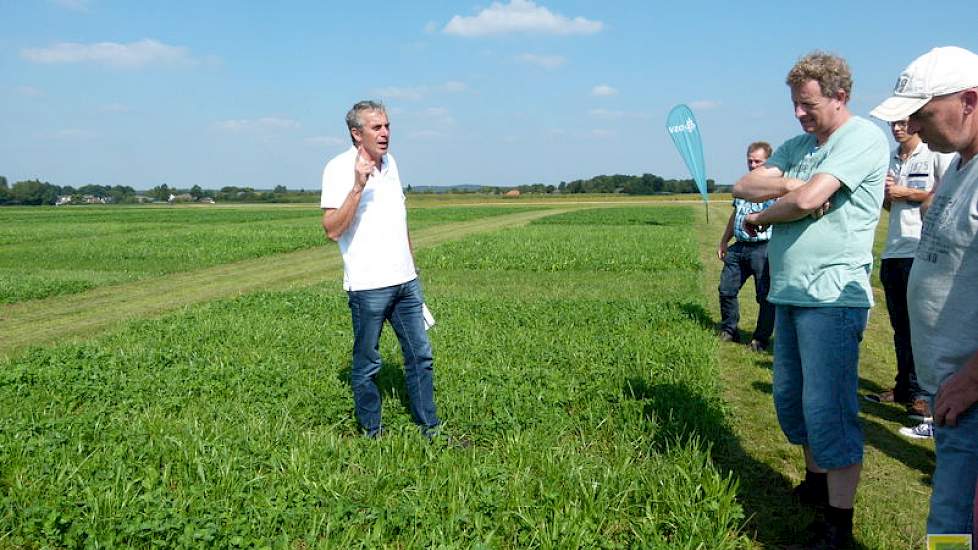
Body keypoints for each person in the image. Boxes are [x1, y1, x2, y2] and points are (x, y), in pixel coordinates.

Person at [732, 51, 888, 549]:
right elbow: (745, 184)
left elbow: (796, 203)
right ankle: (816, 484)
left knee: (829, 409)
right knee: (793, 401)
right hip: (791, 291)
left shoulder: (860, 137)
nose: (799, 114)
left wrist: (761, 217)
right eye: (795, 104)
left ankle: (837, 525)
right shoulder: (800, 145)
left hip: (832, 296)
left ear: (840, 96)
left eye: (808, 104)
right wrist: (795, 181)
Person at [871, 45, 978, 542]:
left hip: (970, 393)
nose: (912, 124)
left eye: (921, 112)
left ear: (969, 100)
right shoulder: (958, 164)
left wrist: (971, 378)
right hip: (952, 390)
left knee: (951, 526)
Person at [321, 100, 440, 439]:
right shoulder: (338, 168)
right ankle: (372, 433)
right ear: (357, 134)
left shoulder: (392, 164)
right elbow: (331, 229)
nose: (385, 133)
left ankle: (429, 427)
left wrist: (413, 270)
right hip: (369, 286)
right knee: (368, 363)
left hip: (406, 283)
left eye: (387, 126)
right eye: (377, 127)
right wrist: (358, 186)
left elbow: (400, 221)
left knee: (421, 356)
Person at [864, 118, 952, 430]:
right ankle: (903, 388)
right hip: (893, 250)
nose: (897, 129)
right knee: (900, 326)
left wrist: (905, 193)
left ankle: (923, 397)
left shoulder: (934, 154)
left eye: (902, 123)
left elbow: (943, 196)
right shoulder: (891, 157)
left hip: (921, 249)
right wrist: (889, 197)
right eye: (893, 124)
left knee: (922, 328)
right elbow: (893, 208)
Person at [717, 142, 776, 352]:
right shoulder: (744, 185)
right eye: (749, 160)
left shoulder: (778, 186)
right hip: (739, 247)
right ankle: (729, 330)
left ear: (768, 163)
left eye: (757, 161)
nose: (752, 165)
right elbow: (736, 214)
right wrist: (724, 240)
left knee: (765, 296)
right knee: (726, 289)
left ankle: (760, 339)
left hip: (764, 248)